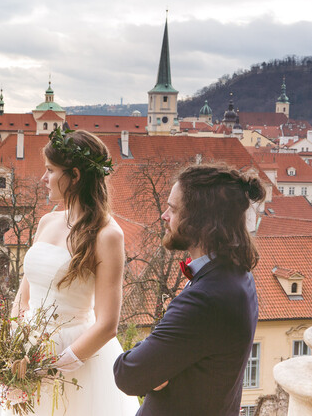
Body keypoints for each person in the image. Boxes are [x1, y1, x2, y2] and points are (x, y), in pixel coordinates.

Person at [0, 129, 140, 415]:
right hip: (26, 352)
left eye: (50, 171)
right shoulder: (46, 221)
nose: (43, 179)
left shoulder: (107, 235)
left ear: (74, 175)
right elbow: (24, 294)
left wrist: (55, 365)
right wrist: (15, 344)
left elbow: (108, 323)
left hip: (75, 359)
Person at [113, 164, 266, 416]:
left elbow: (127, 374)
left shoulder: (206, 298)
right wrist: (160, 360)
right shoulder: (237, 273)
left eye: (173, 209)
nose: (164, 216)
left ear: (200, 221)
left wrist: (154, 362)